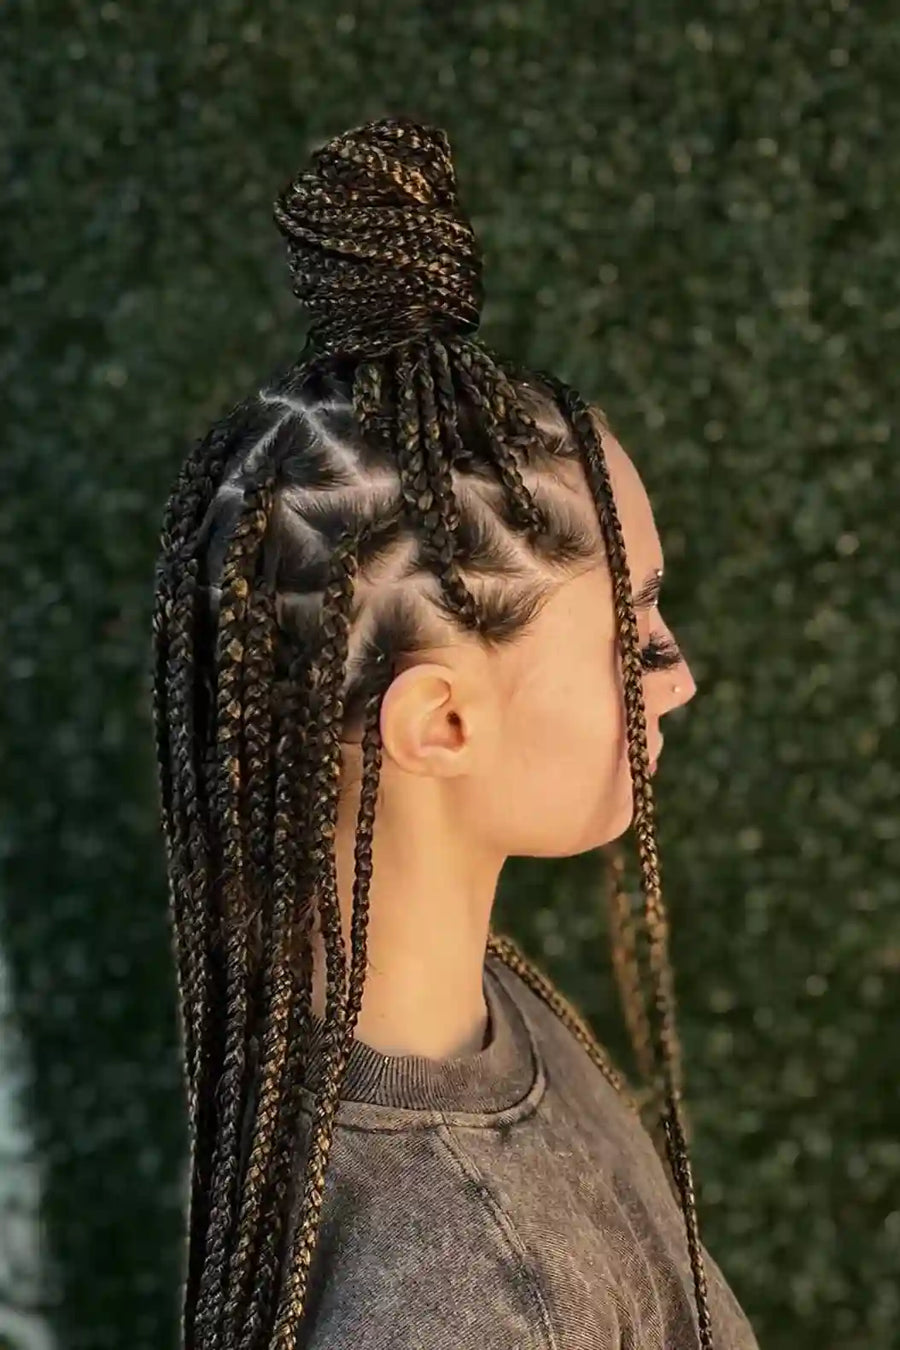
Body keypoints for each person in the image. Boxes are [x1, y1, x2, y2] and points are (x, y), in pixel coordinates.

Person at [151, 115, 760, 1349]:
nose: (679, 678)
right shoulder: (452, 1304)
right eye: (634, 631)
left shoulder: (479, 1017)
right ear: (438, 721)